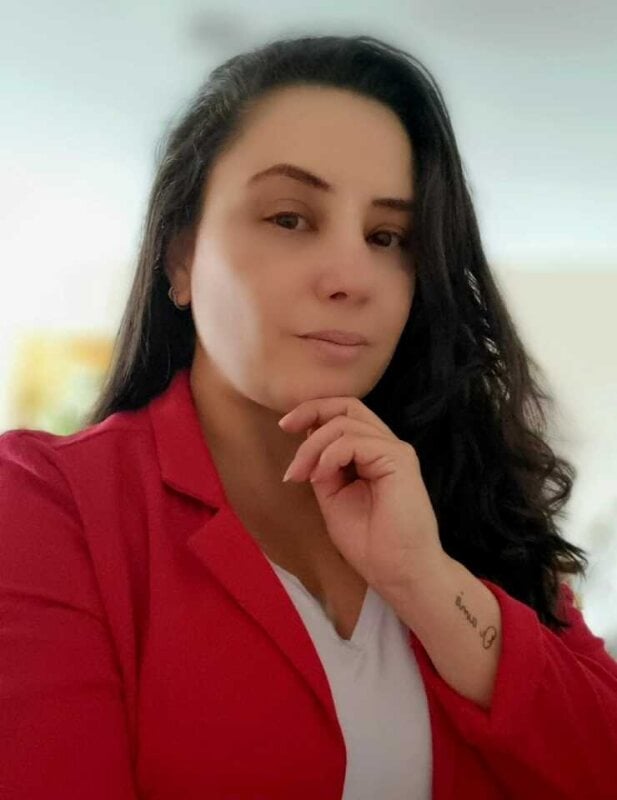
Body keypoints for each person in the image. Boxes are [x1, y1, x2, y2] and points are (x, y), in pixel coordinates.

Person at [0, 34, 616, 800]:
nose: (351, 276)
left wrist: (426, 581)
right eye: (289, 218)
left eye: (388, 237)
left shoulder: (476, 505)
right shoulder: (47, 504)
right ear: (180, 257)